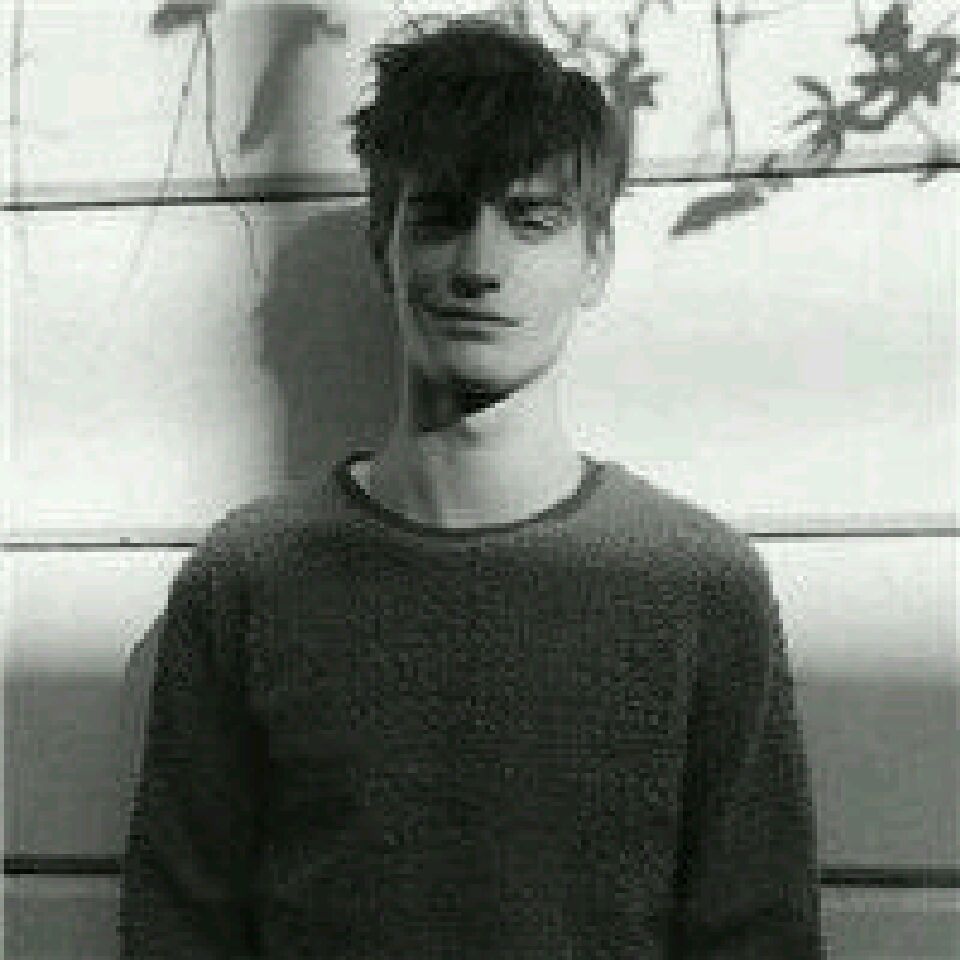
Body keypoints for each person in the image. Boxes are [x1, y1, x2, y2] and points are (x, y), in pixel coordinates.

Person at [120, 13, 825, 959]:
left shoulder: (699, 587)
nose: (481, 267)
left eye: (531, 220)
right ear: (383, 247)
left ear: (597, 260)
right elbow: (178, 928)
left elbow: (760, 936)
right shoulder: (249, 580)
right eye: (443, 217)